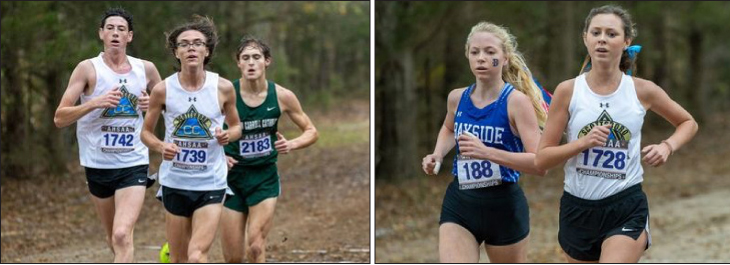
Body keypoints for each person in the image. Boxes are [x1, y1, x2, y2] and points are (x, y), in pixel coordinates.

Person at [534, 5, 698, 263]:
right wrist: (582, 143)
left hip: (625, 205)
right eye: (596, 32)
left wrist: (667, 146)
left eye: (611, 34)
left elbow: (688, 122)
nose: (602, 39)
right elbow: (542, 159)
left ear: (626, 41)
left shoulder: (642, 90)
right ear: (585, 38)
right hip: (577, 209)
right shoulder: (568, 91)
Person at [421, 21, 548, 263]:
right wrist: (437, 154)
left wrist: (487, 152)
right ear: (467, 55)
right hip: (460, 201)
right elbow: (449, 128)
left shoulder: (516, 103)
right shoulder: (457, 98)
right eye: (475, 52)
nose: (481, 58)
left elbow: (540, 163)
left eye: (490, 52)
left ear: (505, 58)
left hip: (504, 206)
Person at [53, 7, 161, 262]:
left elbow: (171, 105)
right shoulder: (87, 69)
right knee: (114, 237)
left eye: (121, 29)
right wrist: (94, 102)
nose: (115, 33)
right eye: (110, 28)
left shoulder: (146, 69)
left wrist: (152, 105)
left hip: (133, 162)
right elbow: (60, 117)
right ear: (101, 33)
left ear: (130, 37)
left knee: (122, 234)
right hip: (97, 164)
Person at [140, 16, 242, 263]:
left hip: (211, 181)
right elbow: (145, 132)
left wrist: (228, 134)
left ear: (207, 50)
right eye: (184, 44)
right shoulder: (163, 89)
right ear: (176, 53)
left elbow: (237, 126)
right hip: (175, 181)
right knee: (178, 259)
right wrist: (160, 145)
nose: (191, 48)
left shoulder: (224, 87)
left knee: (197, 256)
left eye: (198, 43)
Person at [219, 35, 319, 263]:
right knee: (233, 258)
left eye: (256, 57)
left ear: (267, 61)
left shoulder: (282, 96)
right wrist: (219, 155)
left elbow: (311, 131)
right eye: (245, 58)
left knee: (255, 246)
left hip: (264, 176)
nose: (251, 63)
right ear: (238, 63)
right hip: (229, 178)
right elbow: (202, 131)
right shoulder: (224, 94)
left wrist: (291, 143)